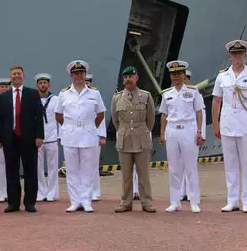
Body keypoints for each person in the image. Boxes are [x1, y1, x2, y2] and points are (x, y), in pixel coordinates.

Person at [212, 40, 247, 213]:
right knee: (230, 165)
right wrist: (215, 124)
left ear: (245, 56)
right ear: (230, 56)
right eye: (234, 54)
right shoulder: (222, 76)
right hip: (227, 124)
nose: (237, 57)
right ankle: (232, 200)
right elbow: (216, 101)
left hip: (246, 124)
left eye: (240, 54)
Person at [55, 60, 106, 213]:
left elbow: (100, 114)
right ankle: (75, 201)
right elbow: (58, 115)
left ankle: (86, 201)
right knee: (72, 170)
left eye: (81, 73)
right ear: (71, 75)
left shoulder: (94, 93)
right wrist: (69, 127)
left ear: (85, 74)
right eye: (76, 73)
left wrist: (90, 127)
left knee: (88, 170)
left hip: (88, 134)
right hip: (70, 135)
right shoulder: (64, 94)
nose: (79, 76)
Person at [0, 65, 44, 213]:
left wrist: (39, 136)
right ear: (10, 77)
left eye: (19, 74)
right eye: (14, 74)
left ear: (23, 76)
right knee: (11, 171)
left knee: (30, 171)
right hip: (10, 139)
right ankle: (13, 203)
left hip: (28, 138)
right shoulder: (3, 97)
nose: (16, 76)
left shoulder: (33, 94)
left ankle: (30, 203)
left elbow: (39, 117)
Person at [159, 61, 205, 213]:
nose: (176, 76)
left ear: (184, 75)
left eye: (179, 73)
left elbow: (199, 112)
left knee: (190, 166)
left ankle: (194, 201)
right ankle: (174, 201)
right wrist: (162, 133)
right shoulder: (167, 93)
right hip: (172, 130)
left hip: (188, 129)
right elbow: (164, 115)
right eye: (173, 74)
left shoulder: (193, 91)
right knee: (173, 167)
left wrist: (199, 131)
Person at [111, 66, 156, 213]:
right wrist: (123, 131)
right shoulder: (117, 98)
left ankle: (147, 202)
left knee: (144, 175)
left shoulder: (146, 96)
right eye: (125, 77)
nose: (128, 79)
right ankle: (126, 202)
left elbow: (150, 119)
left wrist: (143, 131)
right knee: (126, 175)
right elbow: (115, 120)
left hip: (142, 138)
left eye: (130, 76)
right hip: (124, 139)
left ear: (136, 78)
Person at [180, 68, 206, 202]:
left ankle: (191, 192)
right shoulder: (173, 94)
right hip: (178, 134)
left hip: (192, 133)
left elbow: (201, 114)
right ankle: (182, 192)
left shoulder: (195, 94)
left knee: (190, 164)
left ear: (188, 80)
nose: (184, 81)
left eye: (186, 79)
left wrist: (201, 134)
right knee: (180, 164)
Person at [35, 73, 60, 202]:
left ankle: (52, 193)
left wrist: (60, 136)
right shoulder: (33, 99)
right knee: (38, 167)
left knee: (53, 166)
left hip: (52, 137)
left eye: (45, 83)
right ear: (37, 85)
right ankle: (40, 192)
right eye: (40, 83)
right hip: (37, 139)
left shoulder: (56, 99)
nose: (42, 85)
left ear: (49, 85)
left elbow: (60, 119)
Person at [85, 74, 107, 202]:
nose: (86, 84)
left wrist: (101, 135)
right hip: (80, 135)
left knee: (93, 164)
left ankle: (94, 191)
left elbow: (101, 115)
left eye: (88, 82)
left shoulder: (95, 95)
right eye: (85, 81)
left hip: (94, 135)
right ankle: (83, 191)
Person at [0, 78, 11, 203]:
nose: (4, 89)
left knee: (11, 166)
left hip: (11, 137)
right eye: (2, 87)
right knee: (0, 166)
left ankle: (9, 192)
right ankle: (0, 193)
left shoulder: (13, 100)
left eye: (6, 86)